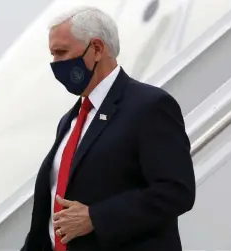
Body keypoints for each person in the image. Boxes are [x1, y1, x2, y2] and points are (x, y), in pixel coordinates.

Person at [21, 6, 195, 251]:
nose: (55, 64)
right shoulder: (68, 122)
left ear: (97, 49)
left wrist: (96, 217)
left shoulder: (150, 107)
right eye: (52, 55)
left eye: (61, 53)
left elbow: (177, 191)